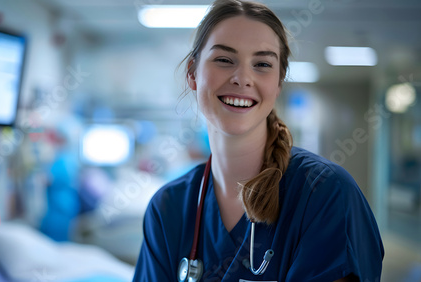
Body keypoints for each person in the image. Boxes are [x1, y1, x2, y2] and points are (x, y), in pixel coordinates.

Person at [133, 0, 384, 281]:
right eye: (224, 60)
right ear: (193, 73)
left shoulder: (325, 195)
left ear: (278, 83)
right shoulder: (169, 208)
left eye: (262, 64)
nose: (242, 78)